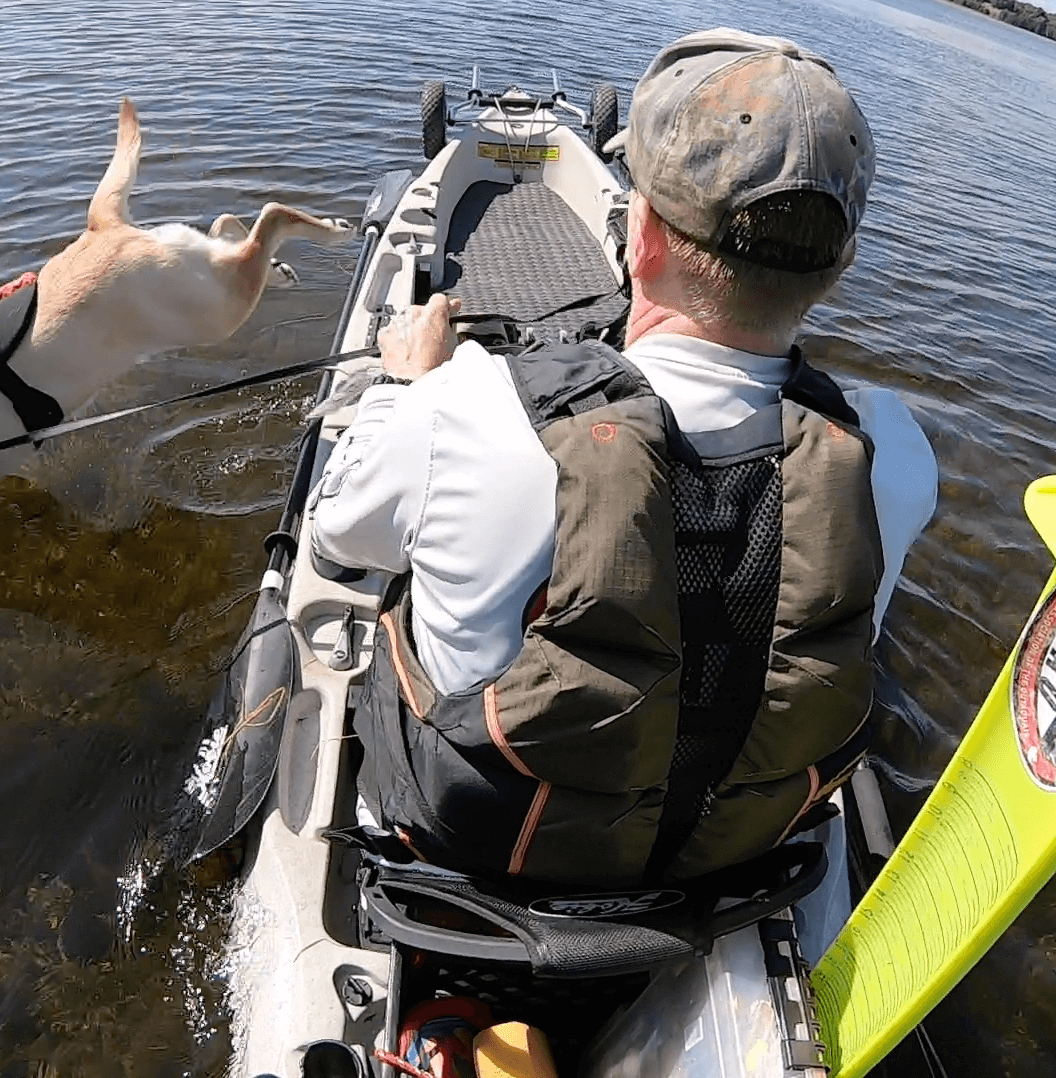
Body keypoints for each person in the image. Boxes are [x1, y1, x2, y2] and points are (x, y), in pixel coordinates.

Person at [305, 29, 938, 888]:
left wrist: (404, 387)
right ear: (838, 266)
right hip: (715, 869)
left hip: (475, 862)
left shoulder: (468, 408)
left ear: (638, 236)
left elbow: (334, 541)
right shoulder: (891, 453)